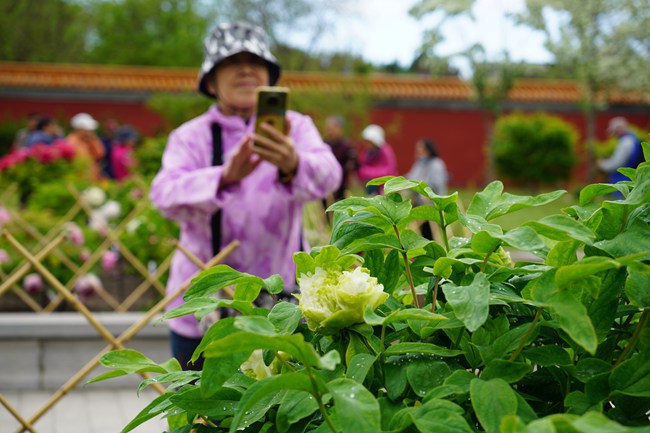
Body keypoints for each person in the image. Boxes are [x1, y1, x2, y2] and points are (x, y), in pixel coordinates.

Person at [149, 21, 342, 370]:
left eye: (255, 62)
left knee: (278, 414)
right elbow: (163, 195)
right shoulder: (190, 137)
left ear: (270, 76)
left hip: (280, 305)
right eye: (232, 62)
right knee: (200, 416)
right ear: (210, 80)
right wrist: (224, 178)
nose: (246, 70)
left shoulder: (295, 128)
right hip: (203, 308)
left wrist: (293, 162)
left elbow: (330, 175)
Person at [405, 138, 449, 240]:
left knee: (431, 233)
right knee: (420, 232)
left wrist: (418, 186)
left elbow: (435, 183)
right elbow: (411, 176)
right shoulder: (420, 163)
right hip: (419, 202)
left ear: (427, 149)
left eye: (420, 147)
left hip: (432, 204)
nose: (417, 150)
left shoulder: (436, 163)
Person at [597, 117, 644, 192]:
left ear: (618, 129)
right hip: (629, 179)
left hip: (623, 180)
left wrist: (602, 164)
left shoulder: (625, 142)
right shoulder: (632, 139)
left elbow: (617, 163)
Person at [323, 115, 357, 202]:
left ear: (340, 129)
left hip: (341, 186)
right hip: (325, 186)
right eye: (328, 129)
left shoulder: (347, 146)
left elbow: (355, 164)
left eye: (332, 129)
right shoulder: (323, 145)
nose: (330, 132)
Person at [356, 124, 398, 195]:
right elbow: (360, 168)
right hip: (370, 186)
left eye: (368, 142)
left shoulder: (385, 151)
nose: (366, 144)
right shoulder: (367, 152)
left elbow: (389, 171)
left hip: (385, 188)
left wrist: (365, 171)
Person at [66, 113, 105, 180]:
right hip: (80, 180)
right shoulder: (72, 142)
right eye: (88, 130)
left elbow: (99, 155)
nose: (90, 132)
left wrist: (93, 140)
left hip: (92, 178)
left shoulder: (88, 140)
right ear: (79, 129)